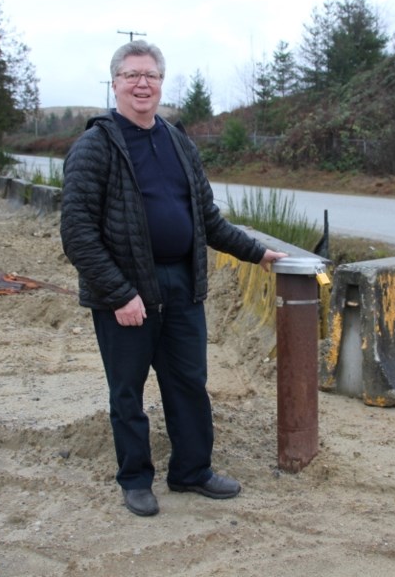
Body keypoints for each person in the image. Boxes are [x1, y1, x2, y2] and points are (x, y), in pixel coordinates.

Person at [61, 40, 287, 517]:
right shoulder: (94, 146)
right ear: (115, 84)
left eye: (151, 75)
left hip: (182, 288)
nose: (142, 83)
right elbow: (77, 234)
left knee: (188, 382)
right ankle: (136, 479)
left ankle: (191, 472)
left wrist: (258, 253)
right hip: (124, 293)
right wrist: (120, 294)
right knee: (128, 391)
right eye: (132, 75)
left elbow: (209, 220)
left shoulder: (179, 142)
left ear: (161, 83)